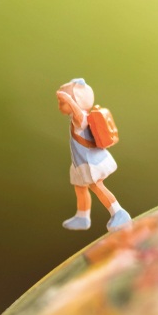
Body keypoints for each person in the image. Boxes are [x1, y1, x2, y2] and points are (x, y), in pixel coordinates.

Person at [56, 79, 132, 231]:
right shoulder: (77, 119)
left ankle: (119, 213)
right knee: (80, 187)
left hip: (90, 163)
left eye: (61, 102)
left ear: (74, 103)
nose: (60, 105)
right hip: (82, 162)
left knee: (96, 186)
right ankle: (82, 216)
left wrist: (69, 99)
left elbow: (78, 114)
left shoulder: (81, 119)